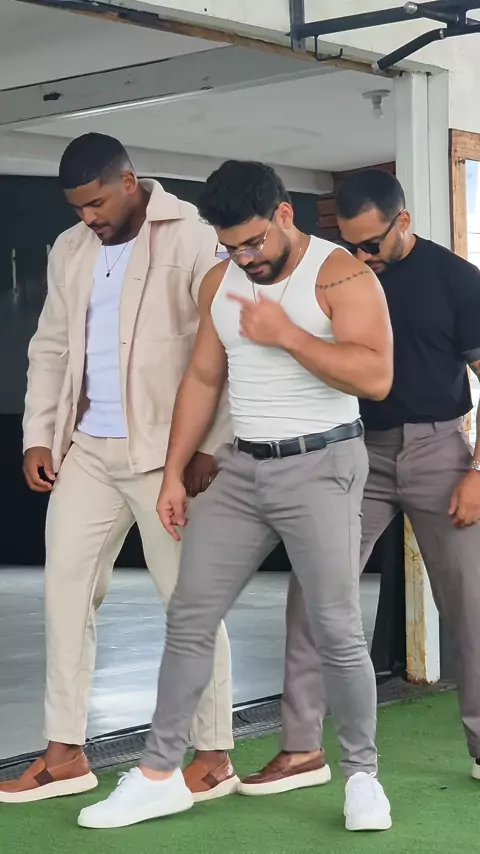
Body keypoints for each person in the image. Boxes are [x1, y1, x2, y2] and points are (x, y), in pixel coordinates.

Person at [77, 159, 394, 832]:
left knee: (336, 628)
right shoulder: (220, 282)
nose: (245, 258)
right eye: (230, 246)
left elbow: (376, 376)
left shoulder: (341, 275)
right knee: (189, 615)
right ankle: (159, 775)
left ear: (285, 214)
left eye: (253, 242)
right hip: (243, 469)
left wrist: (289, 336)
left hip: (324, 464)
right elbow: (202, 377)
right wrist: (172, 472)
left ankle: (362, 777)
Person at [0, 134, 237, 805]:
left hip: (168, 456)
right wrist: (39, 435)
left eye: (97, 203)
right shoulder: (70, 249)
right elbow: (50, 345)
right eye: (77, 207)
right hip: (89, 450)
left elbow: (228, 344)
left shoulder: (194, 235)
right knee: (65, 592)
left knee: (188, 602)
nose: (88, 218)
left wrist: (211, 446)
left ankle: (214, 753)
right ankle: (65, 753)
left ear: (129, 182)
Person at [241, 169, 480, 796]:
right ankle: (300, 748)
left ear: (404, 222)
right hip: (350, 452)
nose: (361, 255)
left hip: (440, 452)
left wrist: (478, 472)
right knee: (313, 596)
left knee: (471, 605)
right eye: (350, 243)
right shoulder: (330, 274)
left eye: (372, 243)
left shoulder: (456, 280)